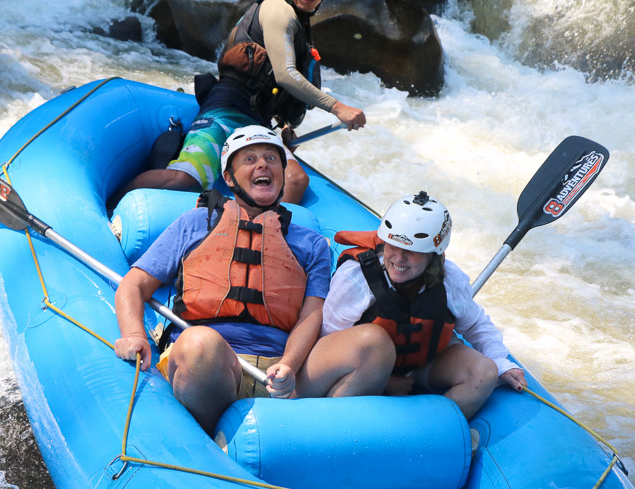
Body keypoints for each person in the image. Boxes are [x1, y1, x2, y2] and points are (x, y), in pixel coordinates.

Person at [113, 125, 373, 437]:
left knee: (372, 343)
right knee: (200, 343)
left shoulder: (312, 243)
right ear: (229, 178)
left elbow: (312, 314)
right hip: (211, 366)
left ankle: (320, 438)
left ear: (281, 174)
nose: (262, 165)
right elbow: (134, 285)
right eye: (249, 159)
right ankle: (210, 443)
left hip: (281, 374)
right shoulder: (196, 223)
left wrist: (289, 365)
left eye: (271, 159)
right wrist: (133, 333)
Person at [296, 192, 527, 419]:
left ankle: (427, 436)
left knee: (484, 371)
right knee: (373, 338)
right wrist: (386, 382)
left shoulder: (450, 280)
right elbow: (329, 338)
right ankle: (334, 424)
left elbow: (476, 325)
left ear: (434, 255)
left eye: (412, 251)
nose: (398, 258)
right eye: (392, 246)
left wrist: (500, 361)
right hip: (363, 366)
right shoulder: (357, 277)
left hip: (419, 366)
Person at [112, 0, 366, 207]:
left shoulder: (301, 23)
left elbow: (276, 89)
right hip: (224, 110)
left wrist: (284, 126)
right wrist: (337, 107)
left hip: (256, 122)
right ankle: (112, 202)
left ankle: (263, 238)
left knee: (296, 180)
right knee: (183, 178)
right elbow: (285, 75)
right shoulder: (279, 10)